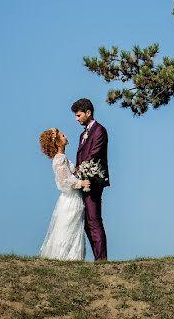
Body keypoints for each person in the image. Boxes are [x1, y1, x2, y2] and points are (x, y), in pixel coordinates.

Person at [38, 128, 91, 260]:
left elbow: (69, 174)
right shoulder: (60, 159)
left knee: (73, 226)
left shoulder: (63, 158)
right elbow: (63, 181)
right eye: (62, 135)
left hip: (73, 197)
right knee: (68, 227)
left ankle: (72, 257)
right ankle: (64, 257)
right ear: (57, 142)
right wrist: (81, 183)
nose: (65, 136)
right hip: (70, 198)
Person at [72, 97, 110, 261]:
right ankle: (97, 257)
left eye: (78, 115)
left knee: (94, 219)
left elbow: (94, 154)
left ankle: (101, 259)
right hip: (82, 181)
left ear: (88, 112)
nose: (76, 118)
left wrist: (79, 171)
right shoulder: (83, 134)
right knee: (87, 222)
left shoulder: (100, 130)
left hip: (93, 181)